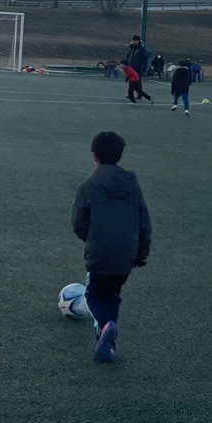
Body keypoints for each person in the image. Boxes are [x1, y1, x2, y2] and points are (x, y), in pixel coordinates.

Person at [71, 130, 151, 365]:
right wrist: (141, 251)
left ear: (94, 156)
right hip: (126, 254)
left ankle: (106, 326)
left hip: (100, 252)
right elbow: (143, 220)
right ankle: (108, 345)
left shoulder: (87, 185)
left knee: (93, 293)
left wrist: (92, 238)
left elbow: (78, 222)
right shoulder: (132, 183)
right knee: (113, 294)